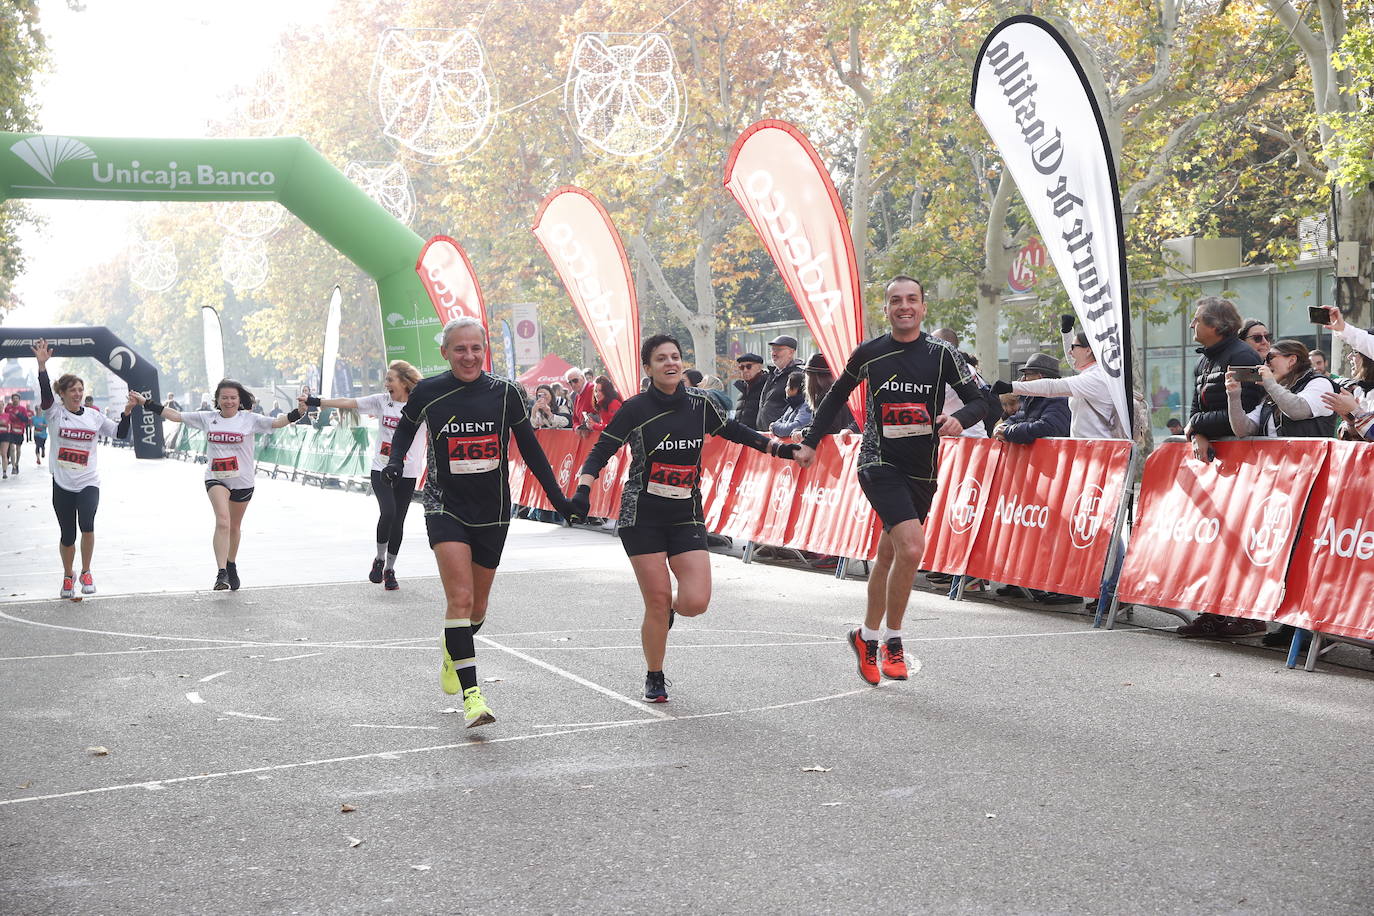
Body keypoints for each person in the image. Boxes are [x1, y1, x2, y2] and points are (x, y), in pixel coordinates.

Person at [567, 334, 799, 703]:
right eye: (661, 359)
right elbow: (601, 450)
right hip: (641, 514)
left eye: (675, 357)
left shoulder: (700, 404)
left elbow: (736, 432)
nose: (671, 363)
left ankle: (668, 613)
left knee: (695, 602)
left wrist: (779, 448)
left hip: (685, 513)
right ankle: (655, 675)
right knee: (656, 599)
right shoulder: (635, 408)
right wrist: (583, 489)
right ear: (649, 368)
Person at [794, 276, 988, 686]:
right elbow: (834, 397)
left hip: (922, 468)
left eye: (912, 300)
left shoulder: (943, 355)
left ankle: (864, 636)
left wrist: (960, 419)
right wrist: (810, 443)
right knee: (913, 546)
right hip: (878, 461)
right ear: (886, 309)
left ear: (923, 307)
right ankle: (892, 642)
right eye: (896, 301)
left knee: (889, 555)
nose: (904, 306)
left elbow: (982, 400)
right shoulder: (869, 353)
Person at [385, 317, 574, 729]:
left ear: (484, 350)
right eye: (459, 349)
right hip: (444, 505)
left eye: (475, 349)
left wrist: (559, 500)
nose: (468, 356)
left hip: (492, 509)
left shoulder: (505, 393)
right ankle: (474, 697)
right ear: (445, 353)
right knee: (460, 598)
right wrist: (397, 462)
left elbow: (532, 451)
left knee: (477, 606)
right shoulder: (429, 392)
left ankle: (453, 644)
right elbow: (404, 431)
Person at [132, 379, 301, 591]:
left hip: (243, 480)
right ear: (217, 400)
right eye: (224, 398)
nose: (229, 401)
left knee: (234, 527)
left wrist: (299, 412)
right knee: (222, 521)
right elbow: (175, 416)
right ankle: (221, 573)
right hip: (216, 477)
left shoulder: (249, 419)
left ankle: (231, 564)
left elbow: (278, 422)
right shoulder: (207, 418)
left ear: (239, 400)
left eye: (233, 398)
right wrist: (145, 402)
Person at [301, 360, 426, 591]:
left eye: (390, 379)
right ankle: (379, 559)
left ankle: (390, 569)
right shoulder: (382, 401)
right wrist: (315, 401)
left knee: (398, 521)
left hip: (408, 471)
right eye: (386, 379)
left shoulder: (420, 405)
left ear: (404, 382)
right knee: (388, 512)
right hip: (381, 468)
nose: (386, 383)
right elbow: (348, 402)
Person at [32, 340, 134, 600]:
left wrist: (128, 412)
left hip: (88, 481)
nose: (77, 394)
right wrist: (42, 365)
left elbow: (120, 434)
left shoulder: (94, 416)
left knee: (87, 525)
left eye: (80, 390)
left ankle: (86, 571)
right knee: (67, 534)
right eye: (72, 391)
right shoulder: (54, 413)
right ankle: (69, 575)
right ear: (62, 394)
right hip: (63, 482)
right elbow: (45, 394)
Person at [1185, 296, 1263, 464]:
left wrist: (1195, 424)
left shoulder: (1244, 356)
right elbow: (1195, 410)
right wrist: (1197, 434)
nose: (1191, 325)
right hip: (1220, 462)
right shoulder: (1202, 360)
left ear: (1215, 326)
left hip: (1246, 461)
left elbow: (1245, 413)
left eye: (1196, 320)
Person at [992, 354, 1071, 444]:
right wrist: (1002, 427)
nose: (1023, 379)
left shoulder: (1059, 399)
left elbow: (1046, 428)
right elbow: (1017, 418)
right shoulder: (1030, 399)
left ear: (1040, 377)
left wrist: (1007, 432)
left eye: (1027, 375)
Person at [1324, 343, 1374, 441]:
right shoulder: (1359, 390)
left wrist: (1356, 410)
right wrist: (1349, 418)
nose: (1349, 356)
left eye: (1355, 352)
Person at [799, 352, 856, 437]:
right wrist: (802, 430)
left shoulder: (827, 396)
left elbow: (830, 427)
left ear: (813, 376)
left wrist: (803, 432)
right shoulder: (840, 392)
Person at [756, 335, 805, 430]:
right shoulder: (772, 374)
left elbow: (798, 405)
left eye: (778, 349)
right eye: (772, 349)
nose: (774, 353)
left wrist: (782, 426)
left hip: (784, 434)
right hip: (767, 434)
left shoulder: (798, 375)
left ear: (791, 352)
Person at [769, 371, 812, 439]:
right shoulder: (791, 406)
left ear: (795, 389)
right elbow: (780, 420)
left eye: (787, 386)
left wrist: (775, 428)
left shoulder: (807, 406)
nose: (785, 389)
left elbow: (795, 427)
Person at [732, 353, 765, 427]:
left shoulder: (766, 387)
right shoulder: (742, 391)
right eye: (741, 367)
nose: (745, 370)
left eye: (748, 366)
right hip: (741, 436)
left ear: (759, 367)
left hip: (759, 436)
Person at [2, 393, 32, 477]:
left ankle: (17, 463)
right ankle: (14, 467)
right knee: (12, 448)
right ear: (12, 400)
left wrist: (18, 413)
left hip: (19, 431)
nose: (15, 400)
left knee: (18, 449)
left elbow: (26, 420)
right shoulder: (8, 408)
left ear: (19, 400)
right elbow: (5, 417)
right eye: (14, 398)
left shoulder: (22, 409)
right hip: (10, 431)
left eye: (16, 398)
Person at [564, 368, 595, 432]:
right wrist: (577, 427)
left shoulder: (593, 389)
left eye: (575, 380)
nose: (573, 384)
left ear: (582, 378)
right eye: (570, 382)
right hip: (585, 435)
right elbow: (575, 419)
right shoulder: (577, 395)